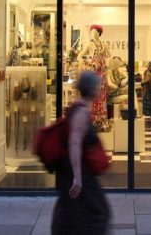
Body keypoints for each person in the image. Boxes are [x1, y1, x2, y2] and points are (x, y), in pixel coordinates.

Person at [51, 71, 110, 235]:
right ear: (91, 89)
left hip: (76, 170)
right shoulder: (81, 112)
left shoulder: (79, 107)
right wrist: (77, 177)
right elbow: (74, 143)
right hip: (78, 171)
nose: (99, 90)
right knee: (98, 212)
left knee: (74, 212)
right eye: (97, 87)